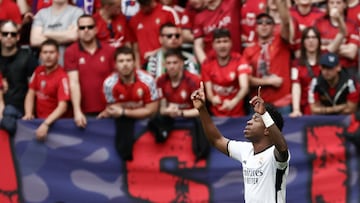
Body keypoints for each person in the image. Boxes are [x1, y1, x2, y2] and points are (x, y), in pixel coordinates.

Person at [191, 83, 290, 203]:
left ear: (266, 129)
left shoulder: (275, 155)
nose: (249, 122)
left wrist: (264, 114)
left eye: (255, 119)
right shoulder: (246, 150)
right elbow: (216, 140)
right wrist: (202, 109)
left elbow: (282, 148)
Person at [98, 46, 160, 161]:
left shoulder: (147, 80)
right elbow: (112, 109)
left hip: (148, 122)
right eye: (121, 61)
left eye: (128, 60)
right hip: (124, 123)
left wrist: (123, 111)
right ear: (115, 65)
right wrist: (119, 112)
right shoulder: (109, 84)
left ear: (134, 62)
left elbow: (151, 110)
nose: (125, 64)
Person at [148, 48, 209, 159]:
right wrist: (168, 111)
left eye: (175, 62)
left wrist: (180, 113)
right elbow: (162, 109)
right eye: (169, 63)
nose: (172, 66)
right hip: (171, 115)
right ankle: (161, 139)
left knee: (201, 121)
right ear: (164, 65)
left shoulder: (193, 80)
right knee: (154, 119)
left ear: (181, 63)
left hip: (191, 115)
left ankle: (201, 154)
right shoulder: (161, 81)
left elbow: (200, 110)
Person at [241, 0, 294, 115]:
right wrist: (269, 81)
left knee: (283, 134)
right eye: (260, 22)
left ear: (274, 27)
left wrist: (280, 3)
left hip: (282, 103)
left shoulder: (281, 42)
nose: (264, 25)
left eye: (268, 22)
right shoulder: (249, 50)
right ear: (255, 27)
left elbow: (286, 22)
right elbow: (246, 79)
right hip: (258, 104)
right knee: (255, 133)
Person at [64, 14, 115, 128]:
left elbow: (115, 82)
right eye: (82, 28)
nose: (86, 30)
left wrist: (111, 107)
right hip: (84, 112)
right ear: (77, 31)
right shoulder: (71, 51)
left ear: (96, 29)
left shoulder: (110, 50)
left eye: (90, 27)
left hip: (109, 111)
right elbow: (73, 82)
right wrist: (77, 111)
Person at [22, 39, 71, 141]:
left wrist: (46, 124)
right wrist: (28, 113)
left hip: (58, 125)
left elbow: (63, 107)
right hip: (39, 121)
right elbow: (30, 93)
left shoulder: (62, 76)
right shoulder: (38, 71)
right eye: (45, 52)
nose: (48, 56)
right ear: (40, 55)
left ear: (58, 55)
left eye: (52, 52)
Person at [0, 20, 38, 136]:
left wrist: (30, 112)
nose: (9, 37)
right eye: (5, 34)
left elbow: (35, 89)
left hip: (21, 113)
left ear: (18, 37)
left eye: (13, 34)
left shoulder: (28, 58)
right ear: (0, 36)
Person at [201, 28, 250, 117]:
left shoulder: (240, 60)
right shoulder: (207, 63)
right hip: (215, 115)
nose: (222, 45)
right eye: (218, 42)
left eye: (225, 41)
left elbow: (244, 87)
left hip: (238, 115)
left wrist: (233, 102)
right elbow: (209, 93)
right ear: (213, 45)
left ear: (231, 43)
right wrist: (212, 99)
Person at [30, 0, 84, 65]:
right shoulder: (41, 14)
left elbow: (73, 36)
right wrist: (65, 35)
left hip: (70, 66)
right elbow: (34, 40)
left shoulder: (77, 12)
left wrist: (47, 33)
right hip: (45, 68)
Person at [314, 0, 359, 76]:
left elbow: (351, 53)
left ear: (344, 5)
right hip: (325, 67)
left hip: (347, 68)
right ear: (327, 5)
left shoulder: (352, 25)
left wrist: (328, 47)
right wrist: (343, 46)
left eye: (338, 3)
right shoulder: (319, 23)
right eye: (331, 3)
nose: (335, 6)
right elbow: (315, 48)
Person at [128, 0, 180, 67]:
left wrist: (156, 53)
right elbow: (136, 49)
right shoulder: (134, 20)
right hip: (144, 66)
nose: (142, 6)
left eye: (145, 3)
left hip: (166, 62)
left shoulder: (168, 12)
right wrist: (138, 68)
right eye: (140, 3)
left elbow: (178, 40)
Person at [193, 0, 241, 64]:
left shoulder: (232, 3)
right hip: (213, 64)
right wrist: (206, 65)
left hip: (235, 61)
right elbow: (198, 46)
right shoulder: (199, 17)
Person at [289, 27, 322, 117]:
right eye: (307, 38)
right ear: (303, 42)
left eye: (314, 37)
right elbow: (296, 86)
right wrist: (296, 110)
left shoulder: (325, 60)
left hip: (323, 108)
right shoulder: (296, 63)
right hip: (305, 109)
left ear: (319, 41)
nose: (311, 41)